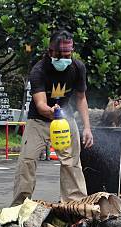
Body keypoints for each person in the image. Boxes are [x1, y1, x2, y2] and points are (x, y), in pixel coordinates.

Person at [11, 29, 93, 206]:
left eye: (68, 54)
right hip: (38, 120)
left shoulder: (78, 68)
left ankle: (75, 204)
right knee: (27, 160)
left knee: (72, 161)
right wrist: (51, 110)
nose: (64, 58)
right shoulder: (39, 70)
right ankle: (20, 205)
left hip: (65, 119)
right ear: (50, 52)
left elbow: (81, 98)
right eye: (60, 54)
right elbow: (40, 105)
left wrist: (87, 128)